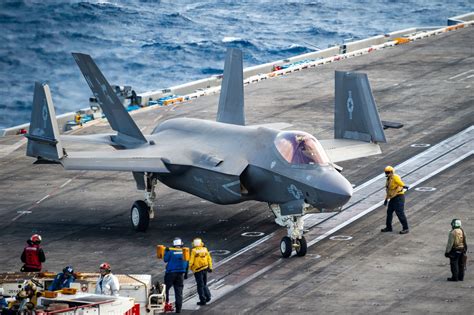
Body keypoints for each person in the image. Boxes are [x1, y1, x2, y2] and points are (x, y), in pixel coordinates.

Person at [380, 166, 409, 234]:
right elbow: (389, 190)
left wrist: (404, 186)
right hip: (393, 198)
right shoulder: (388, 180)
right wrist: (386, 199)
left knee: (400, 213)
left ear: (391, 172)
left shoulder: (395, 177)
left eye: (387, 172)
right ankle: (389, 227)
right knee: (389, 212)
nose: (386, 174)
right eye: (386, 172)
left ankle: (406, 228)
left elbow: (399, 182)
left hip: (399, 197)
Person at [163, 237, 189, 313]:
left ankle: (166, 305)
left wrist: (166, 252)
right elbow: (187, 263)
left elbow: (165, 260)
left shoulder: (170, 251)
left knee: (165, 289)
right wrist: (186, 274)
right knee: (178, 292)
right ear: (181, 244)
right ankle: (178, 309)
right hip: (180, 274)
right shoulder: (185, 252)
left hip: (170, 273)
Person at [189, 238, 213, 306]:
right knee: (204, 284)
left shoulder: (194, 251)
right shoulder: (205, 249)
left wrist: (191, 269)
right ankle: (208, 297)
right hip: (205, 268)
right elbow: (209, 259)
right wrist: (210, 267)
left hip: (198, 270)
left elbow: (191, 261)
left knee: (200, 286)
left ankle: (203, 300)